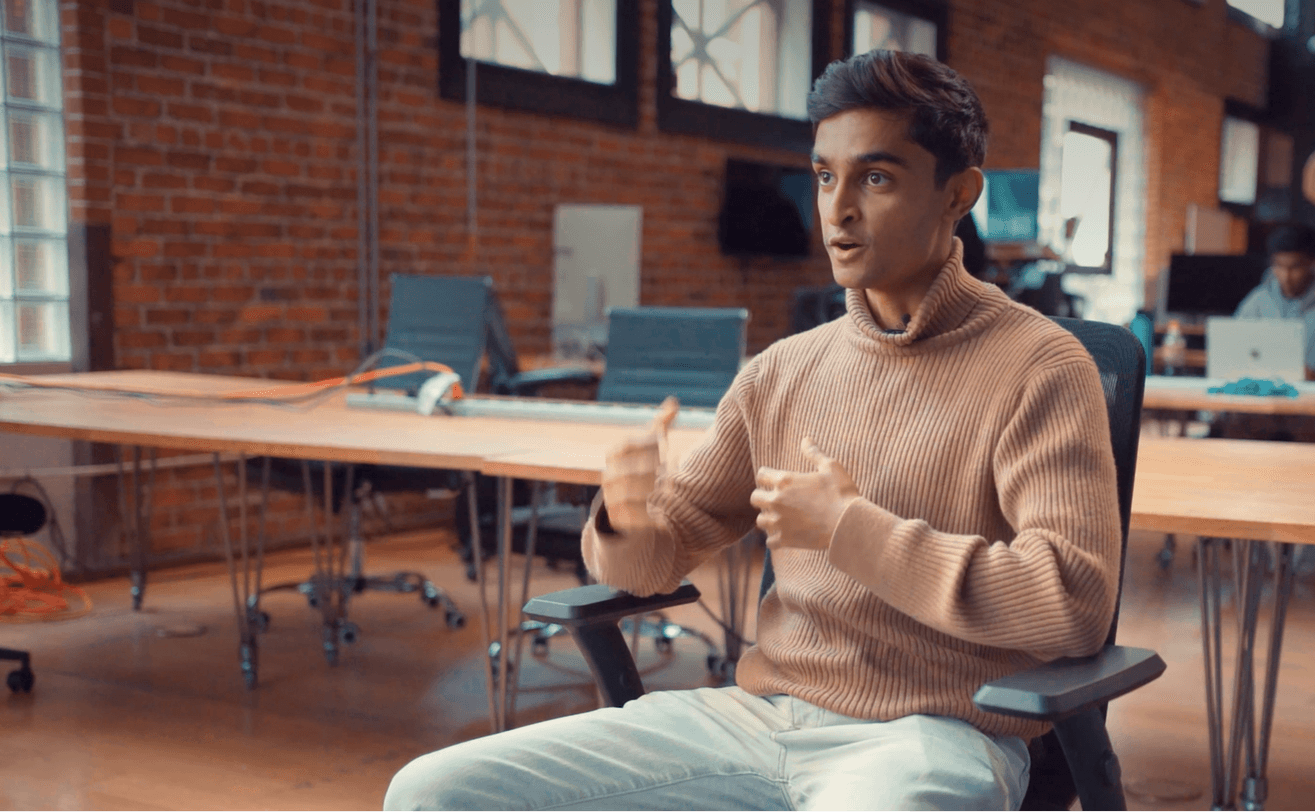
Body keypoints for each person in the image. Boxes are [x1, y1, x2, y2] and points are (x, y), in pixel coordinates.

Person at [385, 49, 1121, 812]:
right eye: (825, 176)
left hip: (929, 737)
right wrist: (628, 518)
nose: (836, 211)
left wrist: (851, 530)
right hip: (758, 720)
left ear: (957, 194)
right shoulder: (782, 372)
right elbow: (653, 563)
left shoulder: (1041, 367)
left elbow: (1071, 603)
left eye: (876, 178)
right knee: (433, 792)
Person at [1233, 224, 1315, 381]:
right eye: (1279, 266)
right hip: (1268, 391)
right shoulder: (1259, 298)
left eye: (1295, 267)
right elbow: (1234, 350)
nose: (1285, 276)